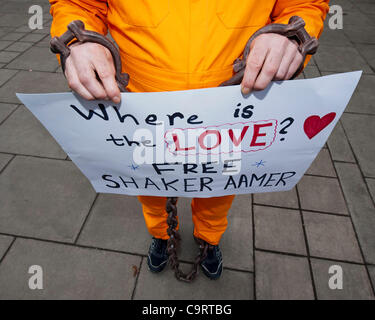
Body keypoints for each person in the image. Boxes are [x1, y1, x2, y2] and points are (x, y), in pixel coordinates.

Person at [49, 0, 329, 280]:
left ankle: (209, 237)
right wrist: (78, 38)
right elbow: (77, 4)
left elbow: (304, 4)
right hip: (142, 108)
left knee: (218, 188)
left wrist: (291, 34)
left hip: (232, 109)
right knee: (151, 187)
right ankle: (161, 233)